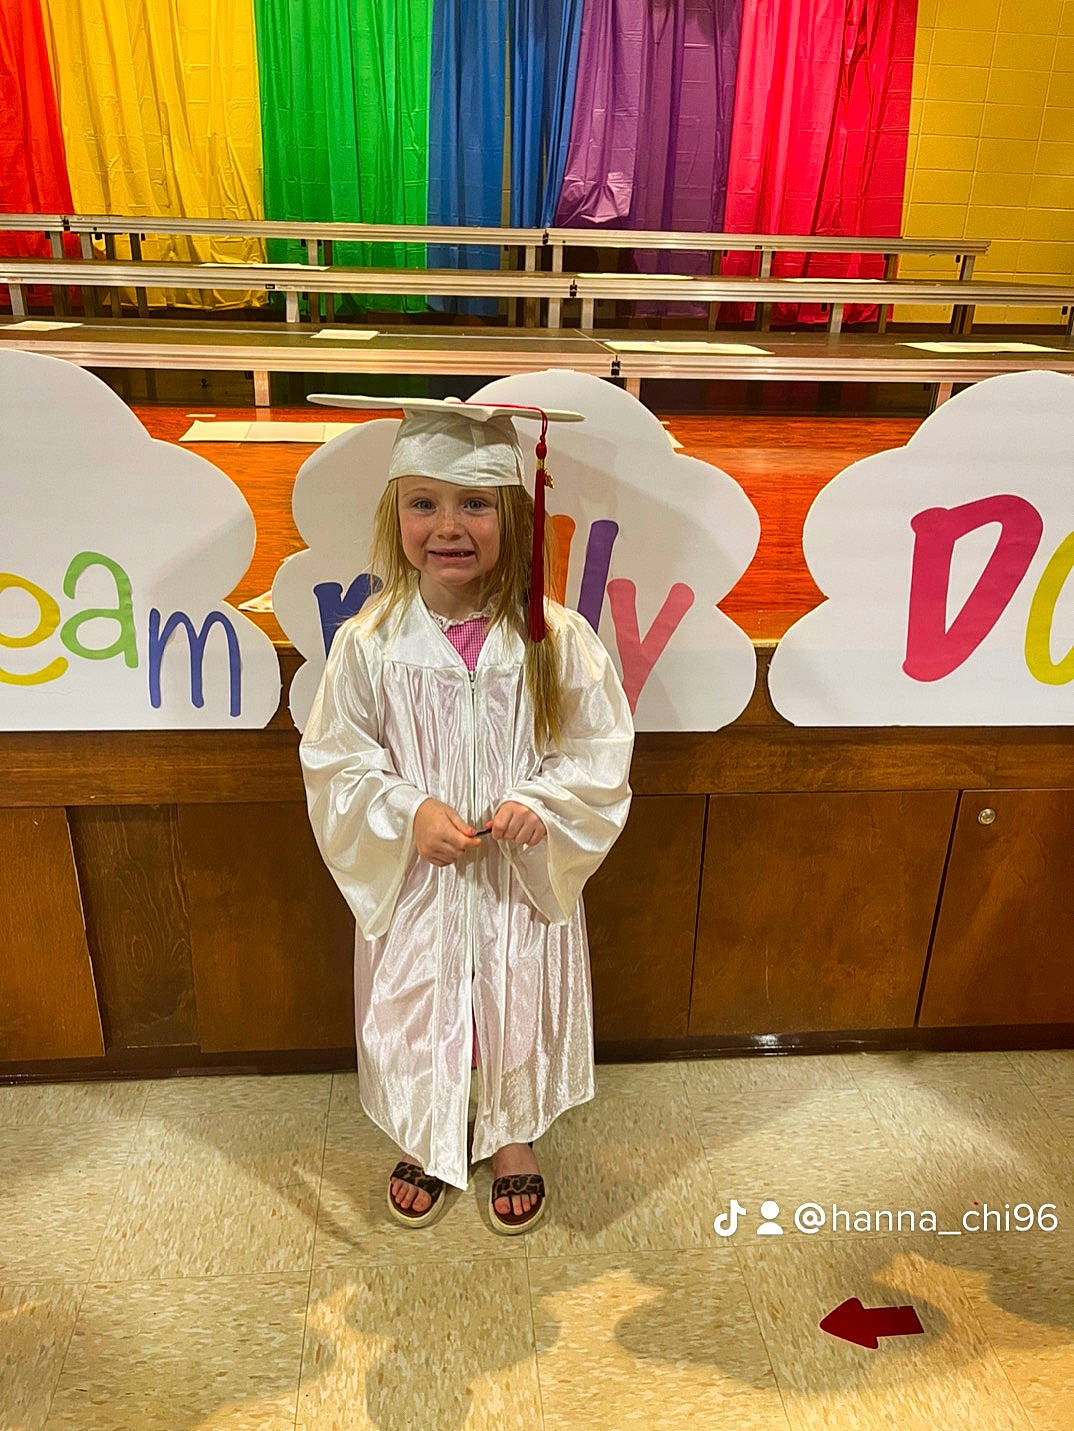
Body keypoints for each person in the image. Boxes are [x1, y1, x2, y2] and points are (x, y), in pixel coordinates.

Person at [298, 393, 634, 1234]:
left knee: (514, 1004)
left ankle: (512, 1136)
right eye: (425, 503)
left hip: (519, 882)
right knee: (421, 1006)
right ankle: (427, 1132)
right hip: (421, 882)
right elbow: (337, 757)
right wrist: (405, 811)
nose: (448, 526)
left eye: (474, 503)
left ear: (513, 515)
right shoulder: (371, 642)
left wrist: (542, 801)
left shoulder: (557, 640)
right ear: (396, 514)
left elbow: (598, 752)